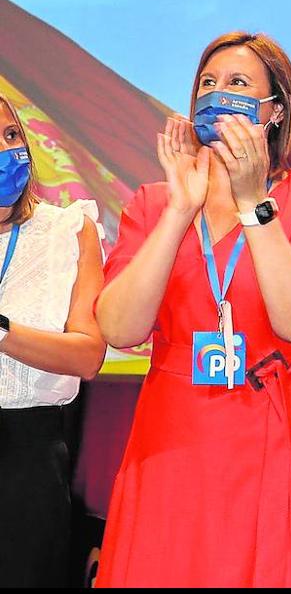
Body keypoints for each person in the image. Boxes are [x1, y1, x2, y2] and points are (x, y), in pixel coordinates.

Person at [94, 33, 291, 587]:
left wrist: (252, 202)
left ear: (275, 110)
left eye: (237, 84)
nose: (217, 96)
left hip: (279, 427)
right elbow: (118, 329)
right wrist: (179, 211)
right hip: (174, 435)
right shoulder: (152, 201)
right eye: (207, 85)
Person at [0, 94, 106, 587]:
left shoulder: (68, 230)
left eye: (10, 135)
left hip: (27, 458)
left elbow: (87, 355)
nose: (6, 150)